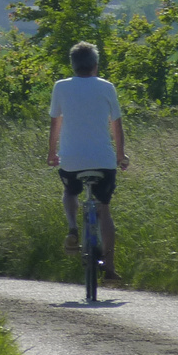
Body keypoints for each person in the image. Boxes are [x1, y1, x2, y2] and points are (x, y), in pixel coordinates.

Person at [47, 40, 129, 283]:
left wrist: (52, 153)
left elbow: (55, 124)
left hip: (71, 160)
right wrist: (120, 155)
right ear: (95, 65)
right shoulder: (106, 87)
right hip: (103, 161)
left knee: (70, 191)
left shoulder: (60, 87)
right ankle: (110, 266)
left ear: (73, 65)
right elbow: (117, 125)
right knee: (104, 209)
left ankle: (73, 227)